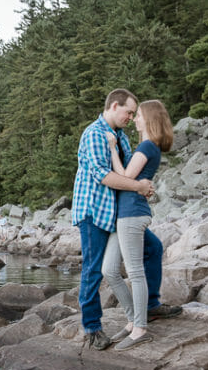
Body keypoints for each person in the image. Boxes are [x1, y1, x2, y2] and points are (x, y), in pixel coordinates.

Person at [72, 89, 179, 351]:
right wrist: (139, 186)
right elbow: (104, 175)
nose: (131, 118)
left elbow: (133, 170)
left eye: (135, 114)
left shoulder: (120, 136)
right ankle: (93, 328)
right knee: (95, 269)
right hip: (95, 211)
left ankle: (148, 308)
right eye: (128, 112)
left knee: (153, 249)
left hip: (120, 213)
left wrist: (143, 185)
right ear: (114, 106)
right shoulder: (95, 134)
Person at [103, 99, 175, 349]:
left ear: (150, 119)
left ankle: (140, 328)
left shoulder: (147, 145)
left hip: (132, 213)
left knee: (135, 272)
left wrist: (112, 149)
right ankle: (133, 320)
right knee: (109, 270)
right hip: (125, 214)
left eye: (139, 115)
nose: (135, 119)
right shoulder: (147, 146)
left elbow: (125, 176)